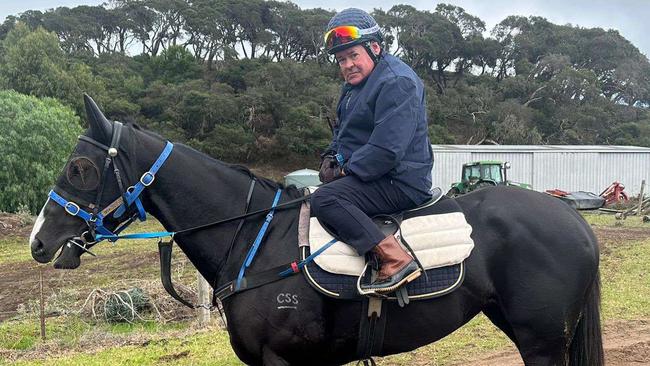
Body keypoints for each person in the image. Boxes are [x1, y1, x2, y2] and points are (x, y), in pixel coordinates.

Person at [311, 8, 434, 293]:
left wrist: (344, 170)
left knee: (326, 201)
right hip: (375, 174)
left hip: (400, 180)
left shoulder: (397, 82)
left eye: (354, 55)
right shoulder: (354, 86)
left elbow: (387, 150)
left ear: (375, 48)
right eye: (342, 60)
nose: (348, 65)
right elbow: (344, 134)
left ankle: (395, 259)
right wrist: (330, 158)